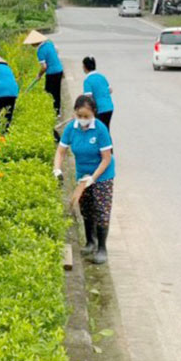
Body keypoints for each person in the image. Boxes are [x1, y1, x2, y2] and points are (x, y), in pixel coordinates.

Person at [53, 95, 115, 264]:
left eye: (86, 116)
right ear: (75, 113)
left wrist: (93, 178)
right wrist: (57, 169)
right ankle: (90, 242)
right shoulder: (71, 129)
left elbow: (106, 158)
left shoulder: (100, 129)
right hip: (82, 174)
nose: (83, 119)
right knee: (86, 208)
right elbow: (61, 151)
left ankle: (102, 248)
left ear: (93, 114)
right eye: (80, 115)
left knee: (101, 209)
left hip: (102, 174)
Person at [24, 29, 64, 117]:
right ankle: (58, 112)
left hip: (52, 73)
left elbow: (44, 66)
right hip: (59, 70)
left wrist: (39, 75)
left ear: (35, 42)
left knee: (49, 92)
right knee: (56, 92)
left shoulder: (40, 51)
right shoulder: (49, 44)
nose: (31, 45)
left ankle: (52, 112)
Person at [82, 56, 114, 131]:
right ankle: (108, 142)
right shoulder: (102, 77)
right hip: (109, 107)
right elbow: (110, 90)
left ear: (85, 67)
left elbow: (88, 98)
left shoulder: (87, 80)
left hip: (99, 109)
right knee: (106, 129)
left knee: (99, 131)